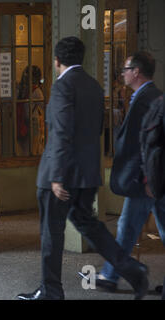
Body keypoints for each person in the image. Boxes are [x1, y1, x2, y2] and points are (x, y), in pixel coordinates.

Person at [17, 37, 149, 300]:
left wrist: (57, 176)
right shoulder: (94, 86)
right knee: (89, 225)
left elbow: (61, 133)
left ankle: (51, 292)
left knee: (51, 234)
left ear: (57, 61)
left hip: (61, 176)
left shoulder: (62, 86)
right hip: (87, 174)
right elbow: (98, 129)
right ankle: (132, 269)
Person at [96, 52, 164, 294]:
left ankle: (109, 275)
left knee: (127, 226)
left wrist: (147, 178)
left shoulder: (149, 99)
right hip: (152, 177)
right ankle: (110, 274)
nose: (122, 73)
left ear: (136, 72)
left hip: (146, 178)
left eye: (126, 69)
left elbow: (149, 144)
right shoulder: (146, 96)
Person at [16, 65, 45, 156]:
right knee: (33, 152)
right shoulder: (37, 91)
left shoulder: (20, 89)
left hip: (20, 122)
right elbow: (45, 107)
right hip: (32, 123)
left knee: (24, 151)